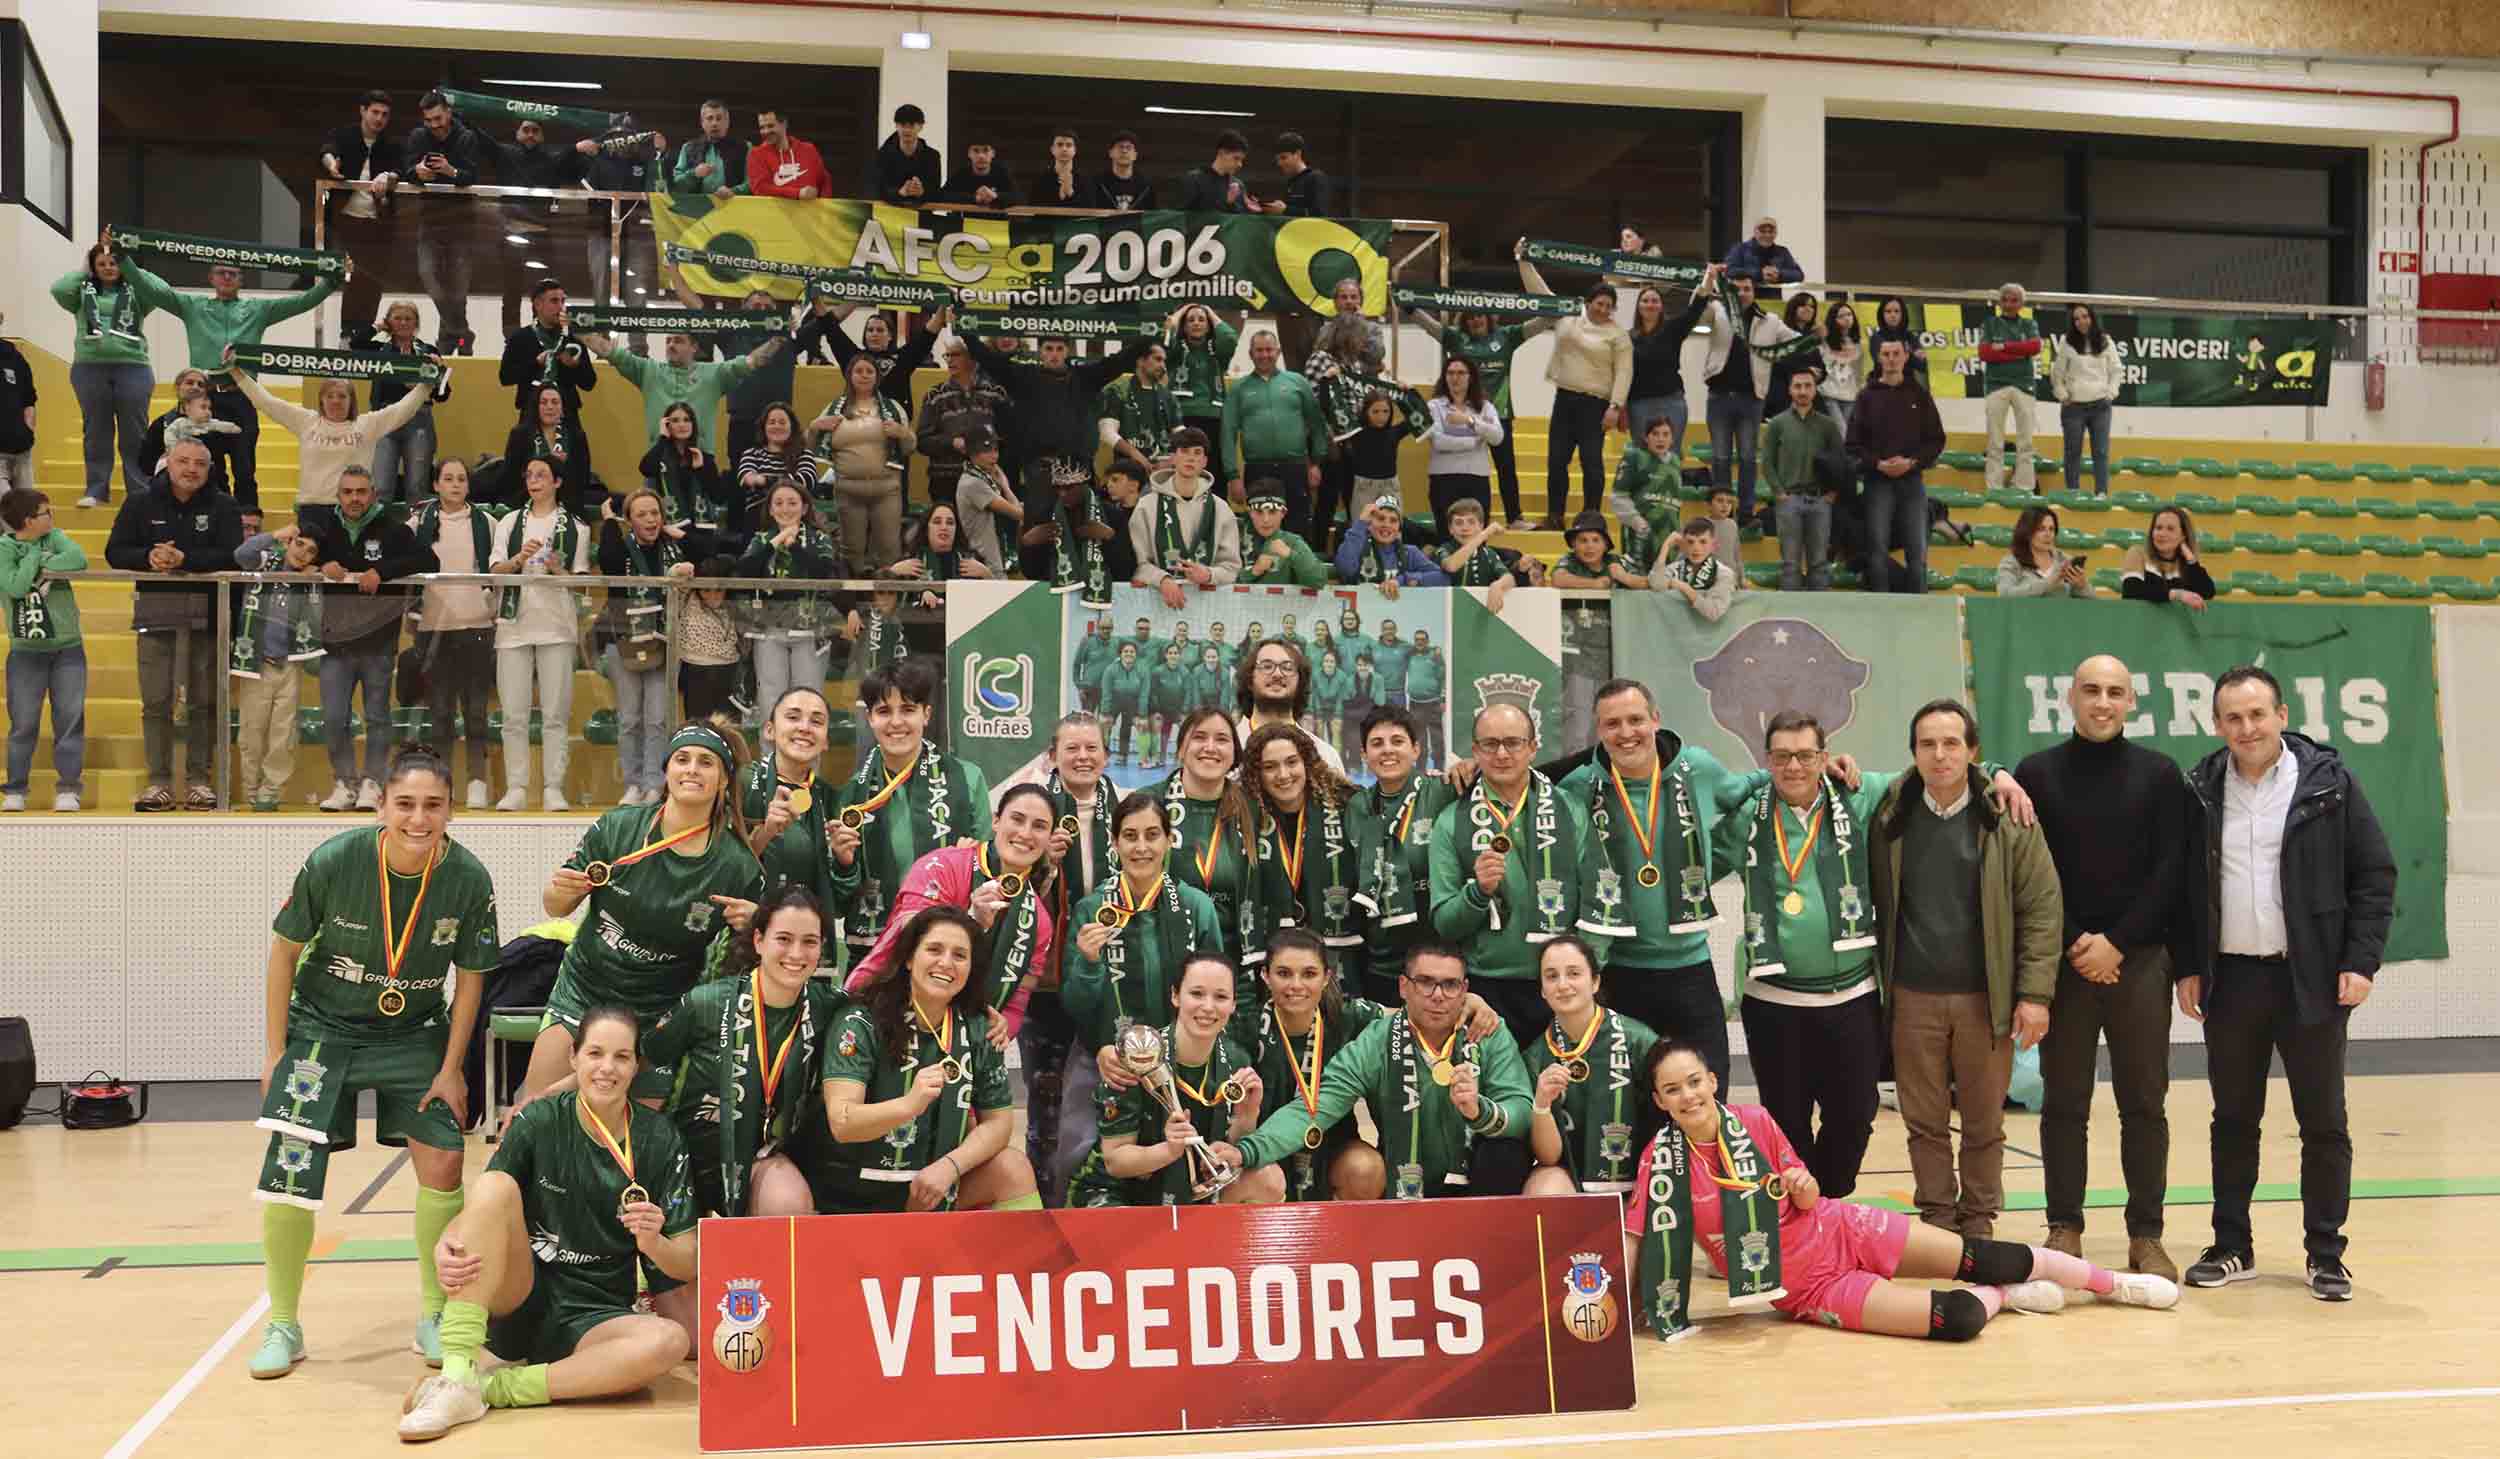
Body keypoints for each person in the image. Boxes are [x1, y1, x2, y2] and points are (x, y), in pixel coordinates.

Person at [1621, 1039, 2174, 1346]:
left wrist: (1803, 1184)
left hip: (1839, 1227)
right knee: (1956, 1321)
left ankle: (2113, 1285)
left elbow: (1809, 1199)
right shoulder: (1660, 1163)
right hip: (1812, 1289)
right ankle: (2007, 1296)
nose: (1688, 1095)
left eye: (1695, 1081)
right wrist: (1618, 1312)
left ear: (1713, 1080)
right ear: (1660, 1100)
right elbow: (1637, 1239)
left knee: (1983, 1256)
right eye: (1673, 1089)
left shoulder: (1754, 1120)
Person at [249, 744, 501, 1381]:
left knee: (444, 1161)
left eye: (433, 806)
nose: (419, 818)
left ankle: (434, 1314)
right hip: (321, 1029)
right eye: (406, 804)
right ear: (382, 805)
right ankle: (283, 1321)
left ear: (451, 810)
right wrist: (277, 1052)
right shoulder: (334, 861)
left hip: (415, 1032)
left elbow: (471, 981)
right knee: (291, 1170)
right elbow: (283, 955)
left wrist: (451, 1067)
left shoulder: (468, 877)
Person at [2179, 666, 2395, 1302]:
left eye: (2257, 714)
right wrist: (2190, 964)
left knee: (2323, 1122)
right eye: (2233, 718)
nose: (2246, 728)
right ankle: (2231, 1246)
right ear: (2216, 725)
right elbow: (2186, 890)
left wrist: (2360, 960)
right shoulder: (2201, 790)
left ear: (2281, 714)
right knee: (2233, 1120)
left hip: (2312, 978)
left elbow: (2374, 875)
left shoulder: (2330, 785)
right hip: (2232, 979)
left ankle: (2326, 1253)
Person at [398, 1006, 698, 1441]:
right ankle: (457, 1369)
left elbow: (687, 1261)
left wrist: (654, 1244)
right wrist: (447, 1243)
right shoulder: (539, 1121)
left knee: (670, 1342)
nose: (607, 1068)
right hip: (522, 1292)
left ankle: (490, 1389)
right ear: (574, 1058)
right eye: (595, 1053)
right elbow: (484, 1206)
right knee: (495, 1184)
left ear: (636, 1067)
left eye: (621, 1057)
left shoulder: (660, 1140)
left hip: (596, 1314)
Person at [2015, 656, 2197, 1283]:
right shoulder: (2036, 774)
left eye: (2115, 692)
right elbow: (2029, 873)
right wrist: (2075, 944)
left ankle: (2146, 1234)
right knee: (2063, 1103)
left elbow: (2172, 872)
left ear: (2131, 703)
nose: (2102, 702)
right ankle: (2063, 1226)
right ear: (2070, 697)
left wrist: (2117, 942)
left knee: (2144, 1104)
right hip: (2064, 966)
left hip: (2139, 964)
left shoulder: (2160, 775)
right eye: (2091, 690)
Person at [1873, 699, 2062, 1239]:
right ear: (1913, 753)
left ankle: (1978, 1222)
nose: (1939, 754)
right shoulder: (1890, 812)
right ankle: (1935, 1218)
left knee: (1984, 1123)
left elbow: (2042, 909)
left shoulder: (2008, 816)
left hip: (1987, 998)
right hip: (1912, 998)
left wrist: (2035, 995)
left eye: (1951, 743)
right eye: (1927, 744)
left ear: (1972, 751)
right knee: (1923, 1123)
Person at [518, 719, 766, 1101]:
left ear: (722, 780)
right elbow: (555, 906)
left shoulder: (738, 867)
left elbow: (751, 959)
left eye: (706, 762)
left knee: (636, 1144)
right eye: (682, 759)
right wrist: (561, 891)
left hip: (658, 1017)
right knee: (534, 1115)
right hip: (585, 991)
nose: (692, 769)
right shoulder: (618, 828)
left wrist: (754, 926)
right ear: (667, 770)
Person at [1548, 678, 1769, 1090]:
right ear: (1598, 730)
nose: (1626, 732)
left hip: (1690, 969)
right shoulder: (1579, 788)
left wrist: (1801, 771)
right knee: (1630, 1102)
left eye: (1635, 719)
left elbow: (1741, 793)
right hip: (1619, 972)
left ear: (1656, 720)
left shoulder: (1698, 769)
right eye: (1612, 723)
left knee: (1709, 1091)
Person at [1215, 941, 1533, 1200]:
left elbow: (1522, 1108)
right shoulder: (1378, 1039)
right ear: (1404, 987)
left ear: (1464, 989)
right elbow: (1313, 1107)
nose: (1438, 995)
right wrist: (1246, 1151)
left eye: (1449, 984)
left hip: (1479, 1179)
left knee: (1505, 1155)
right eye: (1425, 982)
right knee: (1364, 1168)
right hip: (1403, 1183)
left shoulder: (1486, 1030)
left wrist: (1480, 1111)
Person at [802, 906, 1044, 1212]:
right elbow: (843, 1122)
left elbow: (999, 1123)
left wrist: (950, 1167)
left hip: (931, 1185)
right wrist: (910, 1104)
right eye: (934, 949)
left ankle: (1026, 1262)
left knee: (1012, 1167)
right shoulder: (859, 1022)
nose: (946, 963)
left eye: (960, 955)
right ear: (908, 958)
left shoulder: (979, 1028)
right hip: (850, 1194)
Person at [1428, 701, 1616, 1046]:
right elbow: (1444, 923)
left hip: (1561, 987)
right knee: (1493, 1098)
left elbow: (1601, 896)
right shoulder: (1451, 821)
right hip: (1485, 991)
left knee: (1564, 1095)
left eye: (1513, 743)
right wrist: (1477, 893)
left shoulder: (1569, 810)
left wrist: (1583, 971)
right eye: (1490, 744)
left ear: (1533, 747)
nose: (1502, 753)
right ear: (1475, 751)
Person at [130, 252, 342, 515]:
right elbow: (154, 291)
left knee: (245, 468)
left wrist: (332, 280)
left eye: (233, 273)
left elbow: (303, 301)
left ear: (242, 278)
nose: (227, 277)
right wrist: (123, 256)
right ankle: (220, 520)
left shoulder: (259, 309)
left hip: (243, 396)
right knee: (211, 467)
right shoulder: (191, 305)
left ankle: (249, 521)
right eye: (221, 272)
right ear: (211, 278)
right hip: (204, 400)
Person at [1067, 951, 1283, 1207]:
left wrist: (1247, 1114)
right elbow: (1115, 1162)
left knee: (1268, 1178)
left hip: (1195, 1188)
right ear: (1175, 996)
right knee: (1135, 1241)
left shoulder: (1237, 1060)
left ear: (1234, 1004)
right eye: (1197, 993)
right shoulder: (1140, 1057)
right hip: (1120, 1192)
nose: (1208, 1006)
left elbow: (1232, 1149)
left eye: (1221, 997)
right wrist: (1169, 1150)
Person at [826, 659, 995, 963]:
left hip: (947, 949)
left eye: (907, 709)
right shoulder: (852, 794)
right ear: (869, 718)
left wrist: (968, 866)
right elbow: (839, 902)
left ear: (926, 714)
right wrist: (844, 863)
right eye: (883, 711)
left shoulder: (967, 779)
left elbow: (989, 874)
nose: (896, 722)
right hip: (875, 951)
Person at [104, 439, 241, 810]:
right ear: (169, 463)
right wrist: (148, 556)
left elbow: (233, 556)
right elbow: (115, 552)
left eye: (200, 463)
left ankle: (199, 780)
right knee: (156, 701)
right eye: (184, 461)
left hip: (208, 617)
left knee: (203, 701)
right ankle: (158, 782)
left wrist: (186, 558)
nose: (191, 469)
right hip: (154, 614)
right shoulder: (140, 502)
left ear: (209, 469)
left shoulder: (224, 506)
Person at [1231, 929, 1396, 1200]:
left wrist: (1469, 1003)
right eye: (1284, 973)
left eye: (1309, 974)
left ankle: (1344, 1240)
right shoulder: (1245, 1029)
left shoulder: (1345, 1017)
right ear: (1265, 976)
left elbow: (1410, 1017)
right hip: (1262, 1149)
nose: (1296, 985)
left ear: (1326, 977)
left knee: (1365, 1169)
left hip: (1331, 1149)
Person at [309, 467, 435, 812]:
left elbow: (428, 558)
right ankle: (345, 782)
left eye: (361, 492)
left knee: (378, 716)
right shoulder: (323, 528)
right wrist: (322, 564)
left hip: (378, 640)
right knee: (334, 717)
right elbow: (298, 550)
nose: (354, 498)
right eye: (347, 492)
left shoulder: (392, 528)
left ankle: (373, 783)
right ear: (338, 496)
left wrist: (383, 572)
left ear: (373, 495)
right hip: (334, 641)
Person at [487, 457, 592, 811]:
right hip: (513, 625)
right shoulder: (508, 522)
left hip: (557, 625)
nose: (534, 480)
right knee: (514, 714)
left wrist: (557, 568)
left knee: (555, 714)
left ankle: (553, 787)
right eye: (530, 474)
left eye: (542, 475)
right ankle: (516, 786)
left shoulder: (576, 527)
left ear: (557, 482)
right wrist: (518, 559)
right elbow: (495, 572)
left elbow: (580, 585)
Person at [1521, 936, 1661, 1196]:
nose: (1562, 985)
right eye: (1551, 977)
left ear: (1595, 981)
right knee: (1545, 1189)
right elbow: (1548, 1157)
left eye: (1573, 973)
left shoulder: (1638, 1040)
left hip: (1644, 1176)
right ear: (1542, 990)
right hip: (1571, 1180)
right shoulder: (1535, 1056)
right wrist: (1541, 1104)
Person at [231, 359, 431, 541]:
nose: (336, 401)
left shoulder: (367, 424)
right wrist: (237, 373)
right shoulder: (306, 422)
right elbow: (267, 402)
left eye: (342, 396)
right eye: (330, 396)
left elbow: (403, 409)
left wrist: (427, 383)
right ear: (321, 400)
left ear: (351, 400)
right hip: (312, 511)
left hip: (354, 512)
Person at [597, 489, 696, 807]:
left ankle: (655, 783)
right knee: (630, 719)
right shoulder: (621, 549)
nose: (651, 519)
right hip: (624, 642)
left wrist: (674, 534)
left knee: (657, 718)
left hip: (663, 642)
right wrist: (610, 523)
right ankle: (633, 783)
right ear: (629, 520)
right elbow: (607, 559)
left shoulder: (672, 549)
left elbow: (711, 549)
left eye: (655, 513)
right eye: (642, 514)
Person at [51, 237, 165, 508]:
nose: (108, 267)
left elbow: (160, 289)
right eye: (101, 263)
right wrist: (84, 269)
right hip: (89, 368)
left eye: (113, 262)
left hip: (133, 367)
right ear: (92, 268)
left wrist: (129, 262)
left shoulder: (137, 292)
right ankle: (96, 490)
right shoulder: (80, 292)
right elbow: (58, 289)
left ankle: (139, 492)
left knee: (134, 432)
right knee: (96, 431)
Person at [411, 461, 497, 809]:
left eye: (461, 479)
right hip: (434, 628)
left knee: (476, 710)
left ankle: (477, 780)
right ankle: (441, 784)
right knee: (441, 712)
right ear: (436, 484)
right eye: (448, 479)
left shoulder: (485, 523)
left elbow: (495, 571)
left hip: (476, 625)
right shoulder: (418, 522)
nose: (456, 485)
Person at [1145, 708, 1263, 961]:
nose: (1210, 747)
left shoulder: (1253, 810)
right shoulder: (1148, 803)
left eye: (1221, 739)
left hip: (1237, 961)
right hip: (1162, 953)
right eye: (1199, 737)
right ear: (1180, 749)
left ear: (1234, 754)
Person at [1241, 721, 1363, 964]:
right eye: (1270, 766)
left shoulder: (1348, 805)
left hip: (1340, 955)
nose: (1283, 775)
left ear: (1307, 762)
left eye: (1291, 762)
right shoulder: (1244, 818)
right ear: (1257, 774)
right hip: (1271, 955)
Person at [963, 329, 1139, 497]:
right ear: (1040, 351)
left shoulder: (1085, 378)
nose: (1054, 354)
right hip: (1040, 469)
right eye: (1049, 348)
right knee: (1041, 522)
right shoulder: (1023, 377)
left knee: (1079, 523)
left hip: (1078, 468)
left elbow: (1120, 362)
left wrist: (1155, 333)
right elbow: (987, 359)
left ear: (1067, 351)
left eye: (1059, 349)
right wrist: (964, 329)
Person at [1520, 262, 1631, 531]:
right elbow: (1541, 292)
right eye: (1599, 303)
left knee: (1592, 463)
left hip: (1597, 405)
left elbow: (1624, 372)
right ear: (1587, 302)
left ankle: (1591, 519)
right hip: (1565, 400)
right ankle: (1555, 517)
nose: (1603, 310)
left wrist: (1615, 407)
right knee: (1556, 460)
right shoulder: (1568, 315)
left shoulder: (1618, 335)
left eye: (1608, 306)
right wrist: (1524, 262)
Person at [0, 488, 87, 812]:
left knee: (70, 719)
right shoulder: (4, 548)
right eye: (45, 513)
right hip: (26, 650)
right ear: (27, 520)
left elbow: (77, 559)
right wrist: (39, 558)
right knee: (23, 723)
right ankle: (16, 789)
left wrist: (39, 556)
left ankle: (68, 788)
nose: (51, 517)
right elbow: (15, 586)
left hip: (68, 648)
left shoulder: (57, 536)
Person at [1695, 262, 1801, 524]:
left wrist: (1821, 338)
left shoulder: (1771, 320)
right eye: (1737, 288)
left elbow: (1797, 342)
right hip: (1719, 396)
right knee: (1719, 457)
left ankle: (1745, 513)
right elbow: (1695, 312)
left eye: (1747, 288)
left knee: (1747, 458)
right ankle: (1720, 513)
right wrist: (1708, 279)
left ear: (1754, 291)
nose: (1742, 292)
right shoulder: (1717, 311)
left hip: (1751, 399)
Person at [1845, 336, 1946, 595]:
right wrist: (1877, 464)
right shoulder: (1866, 397)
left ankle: (1919, 608)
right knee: (1877, 550)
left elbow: (1936, 440)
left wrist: (1912, 463)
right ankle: (1881, 606)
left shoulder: (1920, 395)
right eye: (1886, 354)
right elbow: (1853, 444)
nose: (1891, 359)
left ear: (1905, 357)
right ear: (1879, 358)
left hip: (1912, 482)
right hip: (1877, 483)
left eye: (1895, 354)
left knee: (1917, 552)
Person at [585, 327, 783, 456]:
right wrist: (573, 324)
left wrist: (778, 338)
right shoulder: (648, 370)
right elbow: (607, 351)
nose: (671, 345)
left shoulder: (714, 373)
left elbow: (754, 361)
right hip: (659, 458)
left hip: (701, 458)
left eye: (678, 340)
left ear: (694, 347)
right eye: (668, 340)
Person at [734, 482, 837, 716]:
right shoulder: (762, 540)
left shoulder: (819, 539)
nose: (785, 509)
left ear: (804, 508)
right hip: (769, 630)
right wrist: (776, 541)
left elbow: (824, 572)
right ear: (770, 510)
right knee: (770, 700)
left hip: (810, 630)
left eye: (792, 503)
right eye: (778, 503)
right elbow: (745, 571)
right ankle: (770, 754)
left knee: (808, 702)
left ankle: (808, 753)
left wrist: (795, 547)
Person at [738, 685, 842, 915]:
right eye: (793, 717)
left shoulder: (830, 798)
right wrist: (765, 832)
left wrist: (845, 862)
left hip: (809, 937)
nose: (804, 728)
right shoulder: (742, 782)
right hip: (748, 934)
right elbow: (720, 866)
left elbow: (842, 900)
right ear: (769, 730)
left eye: (816, 722)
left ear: (826, 741)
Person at [402, 93, 491, 353]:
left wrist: (450, 171)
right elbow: (407, 170)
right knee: (428, 276)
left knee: (458, 291)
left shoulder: (466, 137)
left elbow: (472, 176)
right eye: (428, 120)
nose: (434, 125)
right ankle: (463, 335)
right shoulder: (418, 137)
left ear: (449, 113)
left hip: (462, 223)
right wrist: (417, 173)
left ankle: (452, 342)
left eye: (438, 118)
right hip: (429, 220)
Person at [812, 353, 914, 573]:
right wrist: (814, 427)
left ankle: (890, 603)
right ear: (849, 375)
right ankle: (854, 604)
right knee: (851, 551)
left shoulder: (893, 408)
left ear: (877, 377)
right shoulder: (833, 408)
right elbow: (809, 446)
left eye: (870, 371)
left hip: (886, 490)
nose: (864, 375)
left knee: (889, 549)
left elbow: (909, 449)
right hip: (848, 490)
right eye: (859, 371)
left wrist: (903, 433)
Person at [1221, 331, 1328, 537]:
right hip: (1257, 471)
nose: (1264, 355)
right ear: (1251, 354)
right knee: (1259, 531)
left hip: (1296, 469)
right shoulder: (1238, 389)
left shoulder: (1297, 382)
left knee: (1298, 529)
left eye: (1269, 349)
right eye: (1259, 350)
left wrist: (1315, 463)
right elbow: (1227, 434)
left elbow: (1317, 425)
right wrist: (1233, 476)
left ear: (1278, 352)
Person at [319, 91, 402, 343]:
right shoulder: (344, 135)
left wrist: (389, 175)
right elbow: (328, 150)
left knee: (373, 281)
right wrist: (331, 165)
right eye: (375, 112)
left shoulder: (392, 145)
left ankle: (362, 336)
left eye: (385, 115)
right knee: (349, 277)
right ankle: (346, 333)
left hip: (376, 223)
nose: (379, 119)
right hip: (345, 220)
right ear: (363, 111)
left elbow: (401, 168)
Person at [1129, 425, 1243, 607]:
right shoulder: (1147, 506)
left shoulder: (1221, 509)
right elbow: (1136, 563)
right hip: (1158, 602)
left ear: (1205, 461)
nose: (1191, 458)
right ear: (1173, 457)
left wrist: (1209, 575)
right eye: (1184, 451)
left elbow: (1232, 567)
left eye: (1197, 453)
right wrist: (1162, 579)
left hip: (1208, 605)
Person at [1762, 367, 1845, 590]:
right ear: (1789, 390)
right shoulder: (1777, 424)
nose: (1802, 391)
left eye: (1808, 386)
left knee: (1819, 562)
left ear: (1815, 390)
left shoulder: (1827, 425)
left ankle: (1818, 615)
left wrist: (1832, 493)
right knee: (1790, 563)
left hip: (1820, 501)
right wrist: (1779, 493)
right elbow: (1767, 461)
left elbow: (1840, 461)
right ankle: (1790, 614)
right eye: (1797, 386)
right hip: (1789, 500)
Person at [363, 302, 453, 507]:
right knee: (381, 487)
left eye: (408, 318)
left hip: (419, 421)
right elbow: (356, 343)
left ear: (416, 323)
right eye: (397, 318)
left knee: (417, 488)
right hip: (385, 420)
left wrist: (434, 378)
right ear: (389, 321)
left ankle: (417, 535)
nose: (403, 322)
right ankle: (378, 537)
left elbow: (444, 394)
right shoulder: (379, 350)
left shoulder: (427, 351)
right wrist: (378, 327)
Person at [916, 336, 1009, 509]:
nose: (950, 360)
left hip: (986, 478)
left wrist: (988, 445)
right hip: (946, 479)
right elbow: (922, 442)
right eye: (947, 356)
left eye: (956, 355)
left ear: (973, 358)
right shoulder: (935, 395)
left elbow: (1009, 436)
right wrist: (951, 443)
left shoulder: (996, 393)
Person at [810, 301, 942, 415]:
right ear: (865, 335)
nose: (874, 334)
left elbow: (928, 335)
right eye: (870, 330)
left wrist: (944, 305)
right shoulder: (853, 357)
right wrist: (814, 295)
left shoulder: (902, 358)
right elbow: (829, 326)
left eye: (880, 330)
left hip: (894, 425)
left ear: (890, 336)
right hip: (856, 419)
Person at [1421, 356, 1505, 532]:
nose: (1455, 377)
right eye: (1450, 373)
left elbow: (1497, 437)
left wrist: (1469, 420)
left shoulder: (1485, 407)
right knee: (1446, 535)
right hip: (1443, 478)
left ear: (1470, 377)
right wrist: (1474, 441)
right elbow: (1439, 442)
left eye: (1461, 373)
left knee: (1477, 536)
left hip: (1477, 477)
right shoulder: (1433, 406)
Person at [500, 278, 597, 422]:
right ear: (538, 304)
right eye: (554, 301)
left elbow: (589, 383)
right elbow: (505, 377)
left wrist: (575, 366)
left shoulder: (573, 338)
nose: (561, 307)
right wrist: (535, 363)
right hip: (531, 416)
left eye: (562, 301)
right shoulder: (520, 338)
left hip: (567, 416)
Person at [1977, 283, 2043, 492]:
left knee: (2026, 442)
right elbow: (1986, 353)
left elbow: (2034, 347)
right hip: (1996, 386)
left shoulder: (2029, 324)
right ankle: (1994, 487)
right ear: (1999, 302)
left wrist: (2004, 347)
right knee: (1995, 442)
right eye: (2005, 299)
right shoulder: (1990, 323)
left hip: (2024, 386)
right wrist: (2019, 353)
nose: (2008, 303)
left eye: (2014, 300)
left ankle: (2024, 487)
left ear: (2021, 303)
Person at [1626, 285, 1703, 456]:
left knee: (1671, 454)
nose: (1650, 304)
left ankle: (1671, 483)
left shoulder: (1672, 329)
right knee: (1642, 456)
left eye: (1655, 301)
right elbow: (1623, 375)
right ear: (1638, 306)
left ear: (1661, 306)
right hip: (1639, 404)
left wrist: (1709, 279)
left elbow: (1695, 310)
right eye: (1645, 301)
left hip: (1671, 402)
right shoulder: (1628, 338)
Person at [2052, 303, 2118, 495]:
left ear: (2093, 318)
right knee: (2073, 453)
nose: (2081, 321)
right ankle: (2073, 493)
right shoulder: (2067, 342)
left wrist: (2111, 393)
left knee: (2101, 453)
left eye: (2085, 316)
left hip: (2100, 407)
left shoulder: (2106, 341)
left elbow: (2116, 370)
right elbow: (2057, 374)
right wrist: (2063, 395)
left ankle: (2101, 494)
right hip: (2074, 408)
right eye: (2076, 318)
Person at [501, 383, 595, 515]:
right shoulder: (520, 434)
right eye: (543, 402)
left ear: (562, 408)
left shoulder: (576, 435)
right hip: (526, 503)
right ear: (536, 407)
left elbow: (582, 478)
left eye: (555, 402)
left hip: (567, 505)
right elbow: (510, 476)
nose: (549, 407)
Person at [1097, 339, 1180, 481]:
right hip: (1128, 473)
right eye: (1158, 360)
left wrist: (1173, 459)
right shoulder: (1118, 389)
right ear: (1141, 361)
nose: (1163, 366)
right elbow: (1106, 432)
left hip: (1163, 471)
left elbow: (1179, 432)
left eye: (1164, 361)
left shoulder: (1167, 395)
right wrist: (1136, 455)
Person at [1609, 413, 1680, 576]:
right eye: (1655, 434)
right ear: (1646, 437)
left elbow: (1675, 503)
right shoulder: (1634, 457)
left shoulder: (1675, 461)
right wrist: (1637, 522)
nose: (1660, 439)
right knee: (1637, 582)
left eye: (1665, 434)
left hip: (1668, 538)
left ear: (1672, 439)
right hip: (1640, 536)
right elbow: (1618, 496)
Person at [674, 557, 743, 721]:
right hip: (695, 671)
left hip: (729, 670)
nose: (712, 596)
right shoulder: (687, 597)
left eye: (718, 590)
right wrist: (681, 568)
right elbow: (673, 578)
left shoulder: (734, 604)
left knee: (728, 729)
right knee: (697, 729)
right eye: (706, 590)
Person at [732, 401, 819, 524]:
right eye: (771, 422)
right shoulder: (751, 454)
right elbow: (747, 479)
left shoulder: (804, 455)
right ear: (764, 427)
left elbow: (806, 480)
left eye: (782, 422)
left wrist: (765, 481)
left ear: (792, 427)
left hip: (795, 519)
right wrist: (788, 482)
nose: (777, 426)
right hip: (759, 520)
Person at [1335, 494, 1446, 589]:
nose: (1386, 525)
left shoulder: (1410, 553)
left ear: (1399, 527)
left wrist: (1402, 580)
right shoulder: (1357, 547)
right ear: (1369, 523)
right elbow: (1345, 569)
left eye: (1393, 520)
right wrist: (1360, 523)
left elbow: (1443, 578)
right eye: (1381, 518)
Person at [952, 425, 1021, 575]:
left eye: (996, 450)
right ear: (971, 452)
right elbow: (1019, 514)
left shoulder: (983, 478)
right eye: (987, 450)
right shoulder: (973, 483)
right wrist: (1006, 487)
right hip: (984, 564)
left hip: (994, 561)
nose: (994, 456)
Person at [2121, 506, 2216, 609]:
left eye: (2170, 529)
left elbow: (2207, 592)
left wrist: (2191, 559)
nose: (2162, 534)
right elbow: (2131, 591)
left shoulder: (2186, 565)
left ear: (2183, 536)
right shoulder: (2137, 553)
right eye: (2158, 528)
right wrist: (2176, 594)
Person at [1997, 505, 2093, 599]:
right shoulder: (2011, 562)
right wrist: (2048, 582)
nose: (2048, 534)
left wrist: (2082, 586)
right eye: (2041, 529)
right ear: (2027, 532)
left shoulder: (2065, 561)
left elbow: (2093, 603)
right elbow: (2005, 595)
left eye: (2051, 529)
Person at [668, 99, 749, 202]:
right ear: (702, 123)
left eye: (719, 118)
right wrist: (694, 174)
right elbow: (675, 184)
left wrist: (734, 191)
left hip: (733, 209)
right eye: (710, 118)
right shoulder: (688, 148)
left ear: (727, 122)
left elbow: (751, 182)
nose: (714, 123)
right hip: (697, 212)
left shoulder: (745, 147)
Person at [1654, 518, 1734, 620]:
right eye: (1690, 542)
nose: (1696, 548)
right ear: (1684, 545)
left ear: (1713, 545)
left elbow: (1714, 611)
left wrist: (1684, 587)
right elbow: (1656, 584)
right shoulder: (1676, 567)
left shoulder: (1724, 573)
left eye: (1703, 542)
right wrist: (1666, 546)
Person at [1548, 510, 1647, 590]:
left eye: (1596, 540)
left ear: (1606, 545)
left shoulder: (1614, 560)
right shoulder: (1570, 559)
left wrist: (1625, 577)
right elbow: (1558, 579)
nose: (1589, 546)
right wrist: (1595, 584)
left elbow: (1648, 583)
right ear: (1574, 544)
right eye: (1583, 540)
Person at [746, 106, 829, 199]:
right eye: (762, 127)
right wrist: (798, 193)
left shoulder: (809, 150)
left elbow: (824, 181)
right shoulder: (756, 154)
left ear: (784, 124)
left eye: (770, 126)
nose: (765, 131)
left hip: (809, 213)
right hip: (773, 213)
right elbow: (760, 188)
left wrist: (823, 207)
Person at [871, 103, 942, 205]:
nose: (907, 130)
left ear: (921, 127)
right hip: (891, 215)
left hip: (922, 217)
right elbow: (877, 190)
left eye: (912, 125)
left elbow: (936, 193)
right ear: (896, 126)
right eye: (903, 125)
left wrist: (922, 192)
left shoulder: (932, 156)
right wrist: (900, 192)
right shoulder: (883, 155)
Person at [1178, 130, 1257, 213]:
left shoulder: (1239, 186)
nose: (1240, 164)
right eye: (1236, 158)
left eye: (1242, 160)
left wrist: (1252, 209)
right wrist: (1226, 203)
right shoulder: (1194, 180)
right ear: (1221, 153)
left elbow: (1240, 220)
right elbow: (1183, 215)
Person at [1722, 215, 1804, 292]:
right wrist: (1760, 273)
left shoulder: (1782, 251)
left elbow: (1799, 275)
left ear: (1775, 233)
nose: (1767, 235)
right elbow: (1729, 271)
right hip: (1745, 301)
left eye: (1771, 231)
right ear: (1755, 232)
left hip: (1773, 301)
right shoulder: (1740, 249)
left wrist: (1779, 274)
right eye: (1763, 231)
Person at [936, 133, 1020, 207]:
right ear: (969, 154)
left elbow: (1017, 197)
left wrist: (995, 196)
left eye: (986, 150)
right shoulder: (961, 174)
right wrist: (974, 198)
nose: (981, 156)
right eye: (976, 151)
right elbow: (942, 196)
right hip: (965, 222)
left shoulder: (1002, 172)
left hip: (997, 223)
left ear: (993, 154)